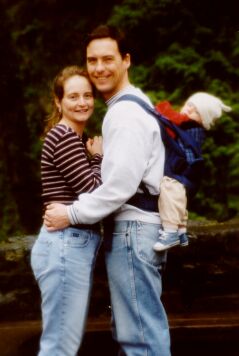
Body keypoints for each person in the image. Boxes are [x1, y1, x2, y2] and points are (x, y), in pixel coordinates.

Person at [44, 25, 171, 355]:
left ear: (126, 60)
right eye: (92, 60)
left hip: (132, 231)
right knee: (137, 333)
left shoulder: (125, 114)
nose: (98, 68)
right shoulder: (135, 103)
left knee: (140, 339)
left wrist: (70, 213)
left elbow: (118, 189)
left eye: (107, 59)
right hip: (141, 229)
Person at [30, 65, 103, 356]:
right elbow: (94, 192)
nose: (82, 102)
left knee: (61, 345)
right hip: (65, 246)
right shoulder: (64, 137)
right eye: (73, 96)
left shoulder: (70, 139)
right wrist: (98, 157)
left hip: (66, 245)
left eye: (87, 95)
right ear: (58, 101)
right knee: (59, 347)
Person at [153, 92, 232, 251]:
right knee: (178, 199)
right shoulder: (187, 125)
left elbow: (185, 145)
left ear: (204, 119)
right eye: (189, 105)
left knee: (170, 191)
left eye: (196, 111)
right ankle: (181, 230)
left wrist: (161, 110)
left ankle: (170, 233)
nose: (189, 110)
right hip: (184, 171)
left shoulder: (193, 127)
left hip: (181, 170)